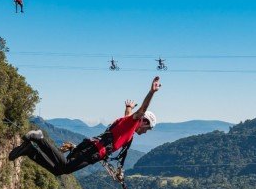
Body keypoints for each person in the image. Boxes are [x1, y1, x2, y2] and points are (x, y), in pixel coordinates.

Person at [9, 76, 162, 177]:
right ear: (144, 121)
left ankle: (29, 150)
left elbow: (128, 113)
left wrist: (129, 107)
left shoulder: (127, 123)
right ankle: (40, 139)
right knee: (65, 166)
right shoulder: (132, 124)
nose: (145, 132)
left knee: (59, 170)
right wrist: (152, 92)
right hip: (93, 151)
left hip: (91, 147)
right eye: (146, 128)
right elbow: (142, 109)